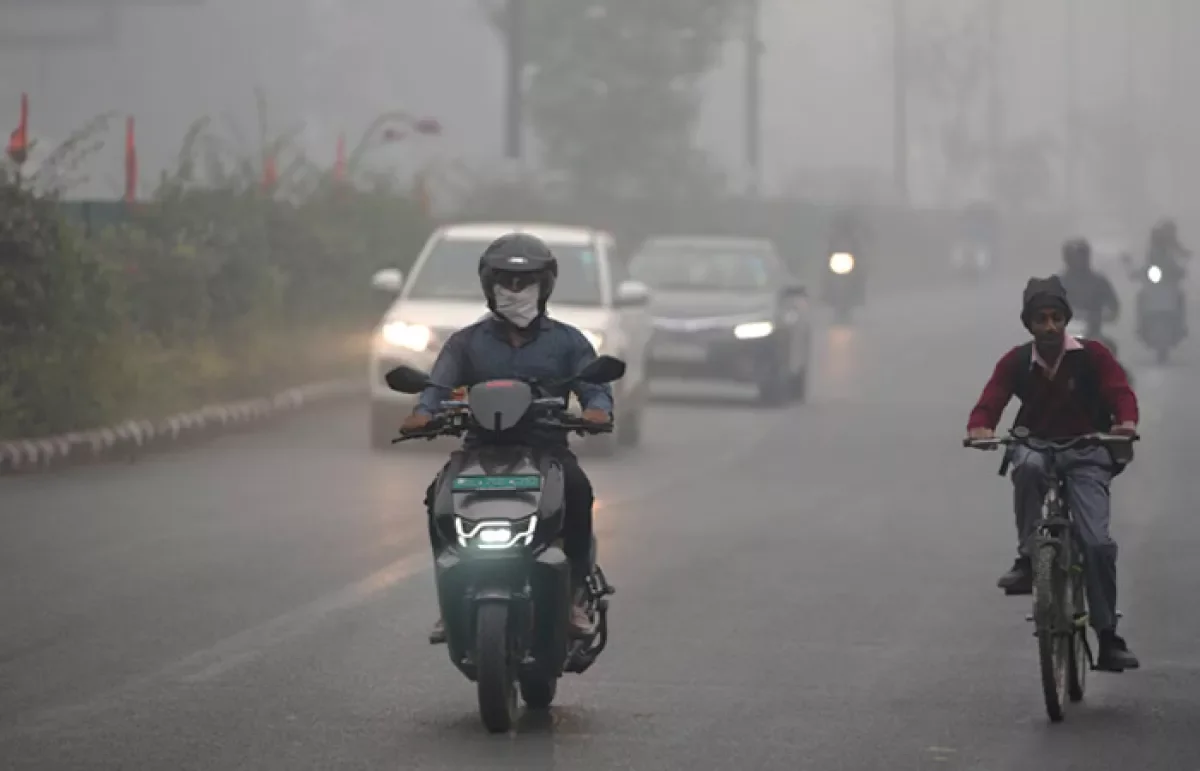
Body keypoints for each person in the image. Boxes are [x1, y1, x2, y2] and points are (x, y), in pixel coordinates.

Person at [400, 233, 614, 645]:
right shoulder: (466, 343)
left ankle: (573, 594)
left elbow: (595, 387)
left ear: (545, 284)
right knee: (437, 497)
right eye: (506, 281)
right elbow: (437, 386)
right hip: (481, 450)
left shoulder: (569, 341)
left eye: (525, 281)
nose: (515, 291)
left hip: (547, 450)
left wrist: (597, 410)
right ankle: (449, 600)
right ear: (488, 284)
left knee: (579, 490)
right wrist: (423, 414)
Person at [965, 276, 1140, 672]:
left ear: (1066, 320)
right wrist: (981, 427)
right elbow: (991, 400)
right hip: (1037, 445)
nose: (1049, 326)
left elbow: (1120, 392)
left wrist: (1126, 422)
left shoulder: (1093, 355)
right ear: (1028, 324)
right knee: (1025, 467)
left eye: (1056, 317)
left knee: (1096, 544)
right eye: (1041, 319)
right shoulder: (1017, 361)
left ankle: (1108, 636)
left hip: (1086, 450)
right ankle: (1029, 558)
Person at [1058, 237, 1120, 337]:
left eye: (1081, 257)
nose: (1078, 261)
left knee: (1110, 347)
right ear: (1067, 259)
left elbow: (1113, 305)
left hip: (1093, 334)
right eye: (1074, 257)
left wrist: (1106, 314)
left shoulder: (1099, 282)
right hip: (1064, 335)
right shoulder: (1058, 284)